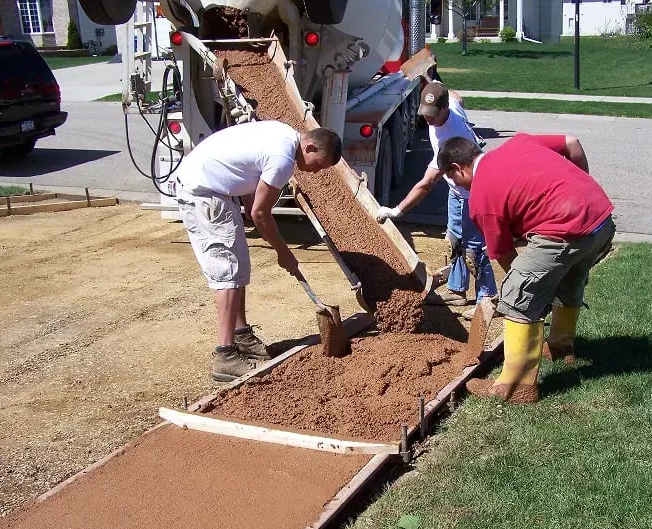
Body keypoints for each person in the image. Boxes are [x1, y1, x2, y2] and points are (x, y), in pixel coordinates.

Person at [436, 133, 615, 404]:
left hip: (566, 229)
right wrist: (578, 189)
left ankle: (516, 386)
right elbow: (571, 142)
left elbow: (506, 257)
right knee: (568, 279)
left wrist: (529, 291)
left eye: (453, 179)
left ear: (457, 168)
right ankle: (559, 348)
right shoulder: (521, 143)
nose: (458, 185)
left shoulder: (481, 198)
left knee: (516, 296)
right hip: (600, 219)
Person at [174, 120, 342, 382]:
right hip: (204, 194)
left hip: (217, 191)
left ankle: (241, 336)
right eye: (319, 164)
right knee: (228, 274)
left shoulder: (283, 134)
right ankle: (225, 356)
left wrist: (254, 207)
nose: (317, 172)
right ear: (309, 147)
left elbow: (245, 173)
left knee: (238, 268)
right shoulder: (283, 158)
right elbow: (260, 213)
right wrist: (283, 252)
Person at [376, 81, 496, 319]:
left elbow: (427, 184)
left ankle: (487, 298)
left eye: (433, 115)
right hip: (455, 191)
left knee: (474, 251)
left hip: (473, 195)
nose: (428, 119)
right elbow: (455, 94)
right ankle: (457, 289)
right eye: (425, 113)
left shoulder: (452, 136)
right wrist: (433, 83)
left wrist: (397, 211)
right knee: (454, 241)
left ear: (444, 110)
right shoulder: (449, 103)